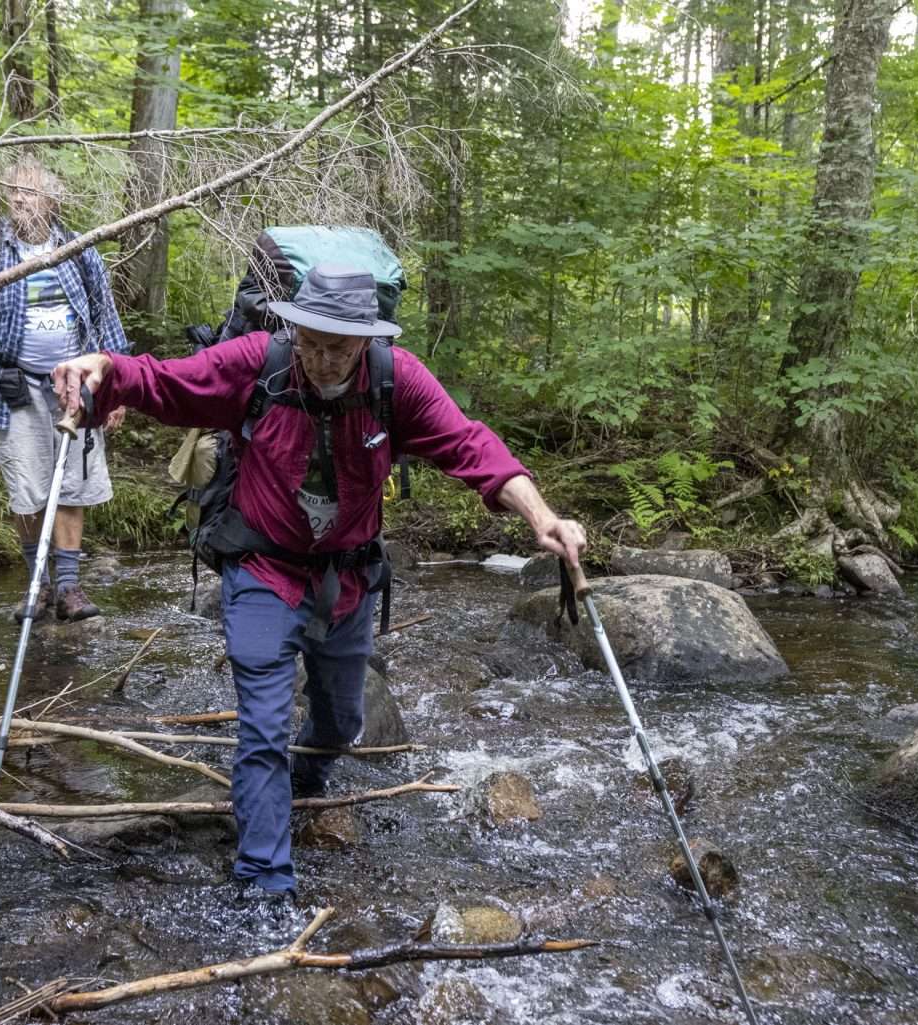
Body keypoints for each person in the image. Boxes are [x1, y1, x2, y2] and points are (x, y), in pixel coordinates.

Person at [52, 264, 587, 903]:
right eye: (310, 341)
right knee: (262, 728)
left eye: (339, 346)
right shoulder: (260, 362)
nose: (322, 359)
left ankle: (302, 783)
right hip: (261, 572)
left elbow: (473, 448)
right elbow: (168, 383)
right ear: (294, 327)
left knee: (339, 722)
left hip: (349, 583)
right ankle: (264, 885)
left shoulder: (397, 380)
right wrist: (102, 370)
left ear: (367, 340)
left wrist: (542, 516)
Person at [0, 158, 129, 622]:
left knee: (72, 487)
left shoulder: (80, 251)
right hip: (17, 389)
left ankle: (68, 589)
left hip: (76, 388)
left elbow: (107, 322)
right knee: (28, 488)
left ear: (53, 199)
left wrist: (116, 392)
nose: (19, 198)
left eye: (29, 191)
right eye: (13, 190)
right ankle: (37, 586)